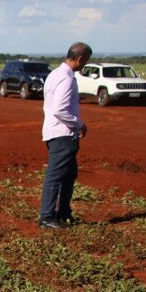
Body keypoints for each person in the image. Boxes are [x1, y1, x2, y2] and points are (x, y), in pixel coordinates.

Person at [39, 42, 92, 230]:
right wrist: (79, 124)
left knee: (69, 174)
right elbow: (60, 110)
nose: (84, 65)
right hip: (62, 135)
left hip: (55, 132)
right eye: (85, 61)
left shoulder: (54, 75)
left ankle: (63, 212)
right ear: (80, 59)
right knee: (56, 175)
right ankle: (47, 217)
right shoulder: (66, 79)